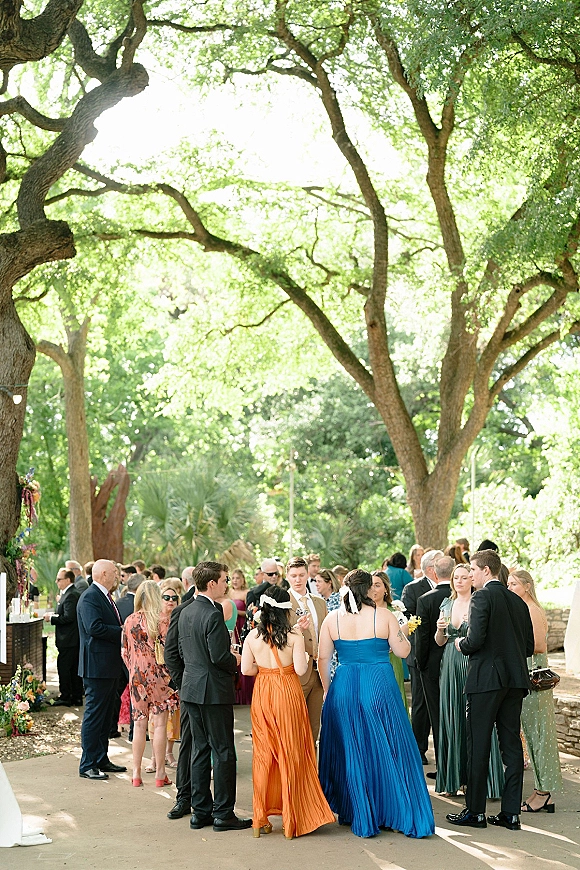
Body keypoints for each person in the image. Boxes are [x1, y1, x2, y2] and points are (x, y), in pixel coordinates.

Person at [318, 570, 434, 839]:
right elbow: (403, 651)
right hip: (378, 683)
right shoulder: (384, 616)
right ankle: (391, 810)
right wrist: (402, 634)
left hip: (344, 685)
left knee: (352, 749)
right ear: (369, 589)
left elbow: (323, 659)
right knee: (388, 746)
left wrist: (328, 690)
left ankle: (356, 809)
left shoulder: (332, 619)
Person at [446, 550, 534, 831]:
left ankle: (475, 812)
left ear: (486, 570)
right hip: (515, 681)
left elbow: (474, 641)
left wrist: (460, 644)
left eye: (473, 569)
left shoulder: (482, 597)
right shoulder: (518, 601)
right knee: (511, 746)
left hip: (486, 681)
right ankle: (510, 813)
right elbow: (528, 647)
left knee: (479, 744)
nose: (470, 574)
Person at [241, 585, 335, 839]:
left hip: (263, 693)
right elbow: (302, 670)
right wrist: (302, 650)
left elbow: (246, 670)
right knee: (291, 750)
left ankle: (260, 820)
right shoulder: (294, 637)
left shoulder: (252, 636)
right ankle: (292, 819)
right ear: (286, 611)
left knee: (264, 754)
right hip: (288, 692)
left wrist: (265, 670)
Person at [178, 561, 251, 831]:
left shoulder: (185, 610)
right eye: (224, 580)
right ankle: (223, 813)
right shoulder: (212, 612)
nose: (227, 584)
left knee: (200, 750)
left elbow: (183, 651)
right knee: (223, 751)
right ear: (211, 583)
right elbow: (219, 656)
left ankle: (200, 812)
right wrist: (237, 661)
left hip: (191, 688)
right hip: (213, 691)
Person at [434, 563, 504, 798]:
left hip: (472, 662)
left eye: (464, 577)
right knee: (452, 716)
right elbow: (440, 642)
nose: (460, 581)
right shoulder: (446, 604)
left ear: (472, 580)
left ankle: (484, 782)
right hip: (450, 663)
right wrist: (439, 629)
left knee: (477, 718)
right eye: (456, 577)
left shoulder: (479, 601)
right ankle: (453, 779)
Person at [507, 569, 563, 812]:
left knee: (540, 735)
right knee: (530, 735)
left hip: (535, 678)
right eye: (508, 584)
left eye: (514, 584)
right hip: (525, 675)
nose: (509, 588)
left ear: (527, 586)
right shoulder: (523, 608)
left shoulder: (532, 610)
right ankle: (540, 789)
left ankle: (545, 792)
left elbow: (539, 645)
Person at [122, 579, 178, 787]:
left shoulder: (129, 620)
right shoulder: (162, 620)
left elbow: (124, 651)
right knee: (160, 724)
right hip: (160, 677)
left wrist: (134, 669)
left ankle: (136, 773)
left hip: (137, 676)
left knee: (139, 724)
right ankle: (160, 774)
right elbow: (171, 651)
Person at [76, 559, 127, 780]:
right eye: (114, 572)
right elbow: (94, 627)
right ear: (104, 574)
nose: (117, 576)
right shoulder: (90, 597)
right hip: (96, 667)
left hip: (108, 665)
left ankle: (101, 758)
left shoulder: (105, 595)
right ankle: (88, 764)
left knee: (106, 717)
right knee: (95, 716)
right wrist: (122, 631)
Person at [402, 549, 443, 764]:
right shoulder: (413, 588)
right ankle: (418, 750)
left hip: (445, 652)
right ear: (430, 568)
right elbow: (408, 620)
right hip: (420, 653)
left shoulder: (451, 587)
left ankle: (444, 751)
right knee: (420, 703)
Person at [415, 555, 455, 767]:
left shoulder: (425, 599)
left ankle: (443, 767)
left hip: (431, 664)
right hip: (460, 661)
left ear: (435, 573)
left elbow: (422, 637)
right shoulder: (464, 596)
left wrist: (421, 663)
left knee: (437, 716)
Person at [286, 556, 328, 741]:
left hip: (319, 672)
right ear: (287, 577)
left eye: (301, 575)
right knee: (294, 726)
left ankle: (312, 760)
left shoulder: (319, 602)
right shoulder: (282, 603)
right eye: (294, 576)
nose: (298, 579)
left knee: (314, 728)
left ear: (307, 574)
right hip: (295, 672)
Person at [369, 571, 408, 712]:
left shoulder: (395, 611)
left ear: (385, 588)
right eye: (370, 585)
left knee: (394, 701)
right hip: (369, 663)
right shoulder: (362, 612)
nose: (373, 589)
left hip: (391, 661)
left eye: (377, 585)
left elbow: (403, 632)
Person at [45, 568, 83, 706]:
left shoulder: (71, 594)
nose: (57, 582)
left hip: (69, 639)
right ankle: (75, 696)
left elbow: (68, 617)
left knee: (65, 668)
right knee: (72, 668)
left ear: (68, 580)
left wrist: (51, 618)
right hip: (71, 639)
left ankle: (66, 696)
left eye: (59, 579)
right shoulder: (69, 593)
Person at [231, 569, 254, 705]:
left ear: (243, 579)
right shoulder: (227, 592)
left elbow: (249, 613)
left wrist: (235, 612)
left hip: (241, 627)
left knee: (243, 655)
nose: (235, 581)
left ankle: (245, 694)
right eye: (233, 578)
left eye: (238, 578)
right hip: (231, 627)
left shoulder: (247, 593)